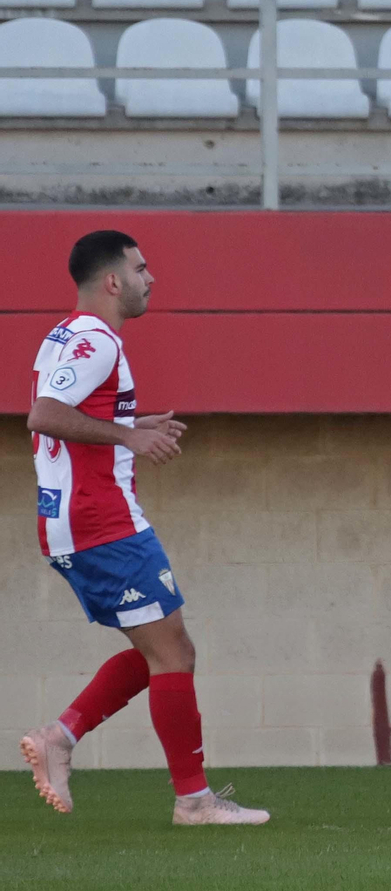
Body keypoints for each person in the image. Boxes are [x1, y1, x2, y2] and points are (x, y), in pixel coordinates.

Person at [19, 230, 269, 826]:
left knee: (163, 650)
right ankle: (193, 800)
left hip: (78, 519)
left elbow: (72, 410)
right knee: (174, 654)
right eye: (140, 267)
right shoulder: (98, 341)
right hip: (100, 519)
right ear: (112, 281)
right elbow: (45, 416)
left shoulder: (70, 334)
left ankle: (61, 737)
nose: (150, 277)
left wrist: (132, 419)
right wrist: (130, 435)